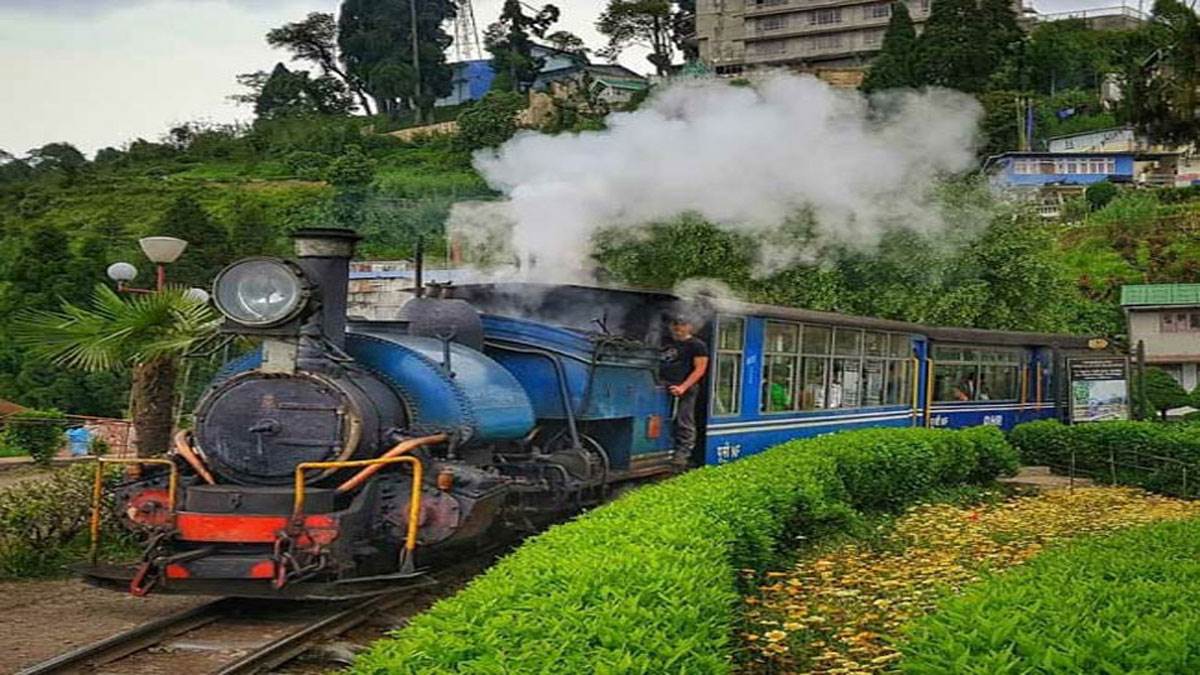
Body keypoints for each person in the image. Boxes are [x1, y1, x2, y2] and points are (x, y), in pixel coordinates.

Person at [660, 316, 709, 468]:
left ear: (689, 327)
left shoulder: (697, 345)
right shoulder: (666, 342)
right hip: (664, 385)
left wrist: (683, 387)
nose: (677, 328)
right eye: (675, 324)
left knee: (684, 420)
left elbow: (700, 369)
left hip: (686, 387)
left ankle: (683, 454)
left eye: (682, 325)